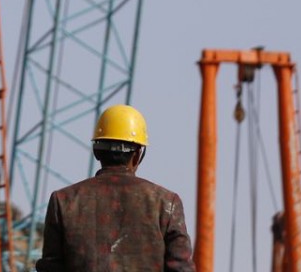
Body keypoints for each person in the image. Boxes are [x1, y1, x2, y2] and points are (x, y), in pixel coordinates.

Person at [36, 104, 195, 272]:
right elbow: (181, 269)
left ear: (96, 152)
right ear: (138, 154)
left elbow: (50, 268)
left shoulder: (63, 201)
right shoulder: (166, 203)